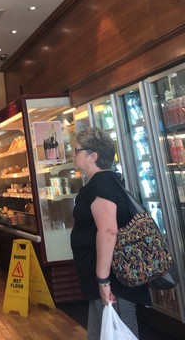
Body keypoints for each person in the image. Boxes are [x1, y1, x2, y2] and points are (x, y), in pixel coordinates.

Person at [71, 128, 151, 340]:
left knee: (118, 332)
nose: (73, 155)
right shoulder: (106, 181)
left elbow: (108, 231)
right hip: (108, 279)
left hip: (114, 282)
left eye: (77, 150)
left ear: (93, 156)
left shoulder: (101, 183)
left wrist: (103, 280)